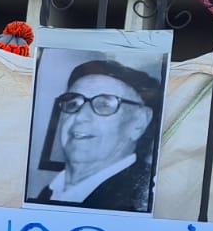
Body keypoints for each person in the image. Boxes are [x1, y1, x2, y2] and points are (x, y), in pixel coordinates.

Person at [32, 58, 164, 212]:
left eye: (104, 104)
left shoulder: (143, 199)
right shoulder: (49, 192)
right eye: (73, 103)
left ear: (139, 122)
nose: (80, 116)